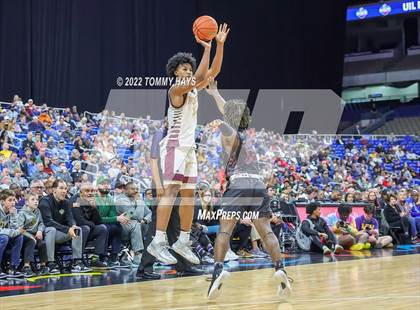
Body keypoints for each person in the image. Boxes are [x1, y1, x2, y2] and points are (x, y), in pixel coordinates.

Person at [147, 24, 230, 265]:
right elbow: (200, 76)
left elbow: (211, 72)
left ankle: (183, 241)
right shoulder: (176, 88)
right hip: (174, 146)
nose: (189, 70)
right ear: (175, 72)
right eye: (185, 68)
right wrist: (206, 48)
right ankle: (158, 241)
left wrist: (219, 45)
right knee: (172, 191)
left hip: (189, 148)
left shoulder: (193, 89)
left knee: (189, 196)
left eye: (190, 68)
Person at [205, 78, 292, 299]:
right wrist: (215, 92)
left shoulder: (231, 132)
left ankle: (217, 272)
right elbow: (231, 112)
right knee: (267, 231)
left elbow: (227, 126)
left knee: (225, 230)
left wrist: (219, 122)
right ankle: (280, 268)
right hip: (258, 184)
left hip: (240, 183)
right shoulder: (248, 134)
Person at [137, 121, 204, 280]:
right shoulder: (161, 134)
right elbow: (153, 160)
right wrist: (159, 186)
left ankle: (184, 266)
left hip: (176, 186)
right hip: (163, 186)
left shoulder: (183, 138)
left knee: (176, 225)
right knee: (156, 227)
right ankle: (144, 268)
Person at [38, 179, 92, 273]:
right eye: (61, 188)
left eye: (66, 188)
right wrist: (67, 229)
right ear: (54, 189)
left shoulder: (66, 202)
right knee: (51, 229)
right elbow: (48, 222)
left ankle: (77, 262)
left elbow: (70, 218)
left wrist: (73, 226)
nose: (64, 191)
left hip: (60, 232)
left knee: (77, 229)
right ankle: (50, 263)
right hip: (45, 233)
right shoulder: (45, 201)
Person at [70, 182, 109, 268]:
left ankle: (95, 259)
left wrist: (94, 208)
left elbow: (99, 221)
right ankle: (78, 259)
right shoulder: (75, 201)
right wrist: (93, 225)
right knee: (85, 228)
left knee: (103, 228)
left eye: (92, 191)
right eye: (87, 191)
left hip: (88, 229)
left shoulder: (92, 200)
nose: (90, 193)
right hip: (74, 232)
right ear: (80, 193)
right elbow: (79, 221)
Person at [116, 182, 151, 267]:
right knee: (136, 223)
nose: (135, 191)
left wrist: (145, 220)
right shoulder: (121, 200)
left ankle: (146, 254)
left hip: (135, 227)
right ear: (125, 190)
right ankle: (138, 256)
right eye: (132, 189)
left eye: (137, 189)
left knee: (143, 224)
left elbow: (150, 213)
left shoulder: (138, 200)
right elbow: (136, 215)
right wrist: (138, 202)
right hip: (122, 227)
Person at [96, 176, 128, 268]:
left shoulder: (109, 198)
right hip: (95, 224)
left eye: (108, 184)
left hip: (105, 224)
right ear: (98, 186)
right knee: (106, 227)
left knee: (117, 227)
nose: (106, 186)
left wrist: (120, 219)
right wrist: (116, 218)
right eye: (103, 184)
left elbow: (112, 215)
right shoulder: (94, 197)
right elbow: (97, 219)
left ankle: (114, 256)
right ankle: (103, 257)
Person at [18, 192, 52, 277]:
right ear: (26, 202)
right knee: (31, 241)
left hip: (35, 233)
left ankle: (43, 266)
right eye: (33, 200)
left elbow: (41, 223)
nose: (36, 202)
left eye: (37, 200)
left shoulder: (38, 211)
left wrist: (40, 231)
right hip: (25, 234)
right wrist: (30, 236)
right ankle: (26, 266)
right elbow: (20, 229)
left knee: (42, 243)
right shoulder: (22, 213)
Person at [0, 190, 24, 278]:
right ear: (2, 201)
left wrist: (13, 215)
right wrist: (16, 231)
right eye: (10, 200)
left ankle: (13, 267)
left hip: (6, 236)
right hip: (2, 237)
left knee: (19, 237)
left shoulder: (13, 211)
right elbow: (1, 230)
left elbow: (16, 227)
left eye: (14, 200)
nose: (13, 202)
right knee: (4, 237)